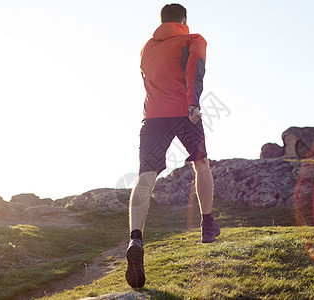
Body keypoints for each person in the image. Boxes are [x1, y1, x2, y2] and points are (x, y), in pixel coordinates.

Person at [125, 3, 220, 289]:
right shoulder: (194, 40)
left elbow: (146, 81)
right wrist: (193, 104)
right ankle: (206, 224)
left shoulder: (147, 47)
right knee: (200, 162)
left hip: (153, 117)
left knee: (145, 176)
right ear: (184, 20)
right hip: (184, 112)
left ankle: (135, 238)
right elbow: (195, 71)